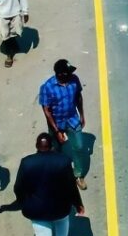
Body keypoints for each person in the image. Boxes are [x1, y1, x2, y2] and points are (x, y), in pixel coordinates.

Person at [14, 133, 85, 236]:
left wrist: (23, 202)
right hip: (60, 206)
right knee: (62, 225)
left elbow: (18, 187)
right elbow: (71, 186)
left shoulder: (27, 162)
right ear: (52, 146)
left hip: (37, 209)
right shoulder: (63, 161)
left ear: (37, 146)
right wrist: (78, 204)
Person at [37, 59, 89, 189]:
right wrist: (57, 131)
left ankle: (78, 174)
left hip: (72, 119)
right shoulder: (47, 87)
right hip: (56, 122)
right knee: (56, 149)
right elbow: (47, 110)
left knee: (79, 146)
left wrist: (82, 115)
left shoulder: (74, 80)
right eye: (68, 72)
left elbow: (78, 97)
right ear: (60, 74)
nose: (71, 74)